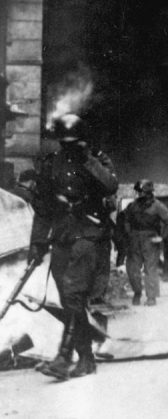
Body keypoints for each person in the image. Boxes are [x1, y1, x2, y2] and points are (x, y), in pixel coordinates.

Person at [28, 114, 118, 380]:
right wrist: (37, 241)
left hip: (89, 235)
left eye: (73, 142)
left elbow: (110, 185)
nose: (68, 147)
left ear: (83, 139)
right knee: (68, 300)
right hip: (63, 236)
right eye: (64, 142)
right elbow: (42, 208)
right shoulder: (50, 164)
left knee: (73, 293)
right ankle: (85, 358)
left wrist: (87, 159)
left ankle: (65, 356)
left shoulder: (96, 160)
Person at [124, 179, 168, 306]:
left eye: (139, 191)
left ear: (146, 192)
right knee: (132, 269)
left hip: (150, 240)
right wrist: (129, 234)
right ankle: (137, 292)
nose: (137, 194)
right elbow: (126, 220)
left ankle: (151, 297)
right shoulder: (133, 206)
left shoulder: (158, 206)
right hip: (135, 240)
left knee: (150, 269)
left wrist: (162, 237)